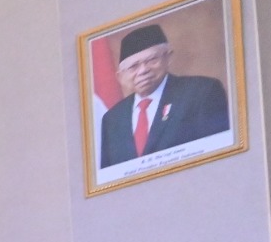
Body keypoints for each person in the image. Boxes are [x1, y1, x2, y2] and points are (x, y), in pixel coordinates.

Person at [98, 22, 230, 169]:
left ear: (168, 58)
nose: (143, 70)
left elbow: (220, 156)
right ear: (120, 76)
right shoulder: (112, 119)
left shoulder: (201, 92)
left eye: (151, 60)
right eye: (133, 66)